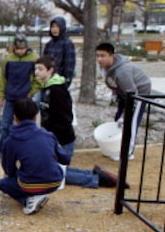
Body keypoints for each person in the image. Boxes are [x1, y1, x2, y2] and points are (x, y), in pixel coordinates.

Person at [34, 56, 122, 188]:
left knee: (53, 173)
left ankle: (97, 180)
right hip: (53, 138)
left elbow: (65, 117)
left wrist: (53, 138)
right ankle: (96, 174)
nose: (36, 72)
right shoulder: (45, 88)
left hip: (62, 140)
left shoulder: (57, 90)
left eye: (40, 69)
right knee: (53, 170)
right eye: (35, 69)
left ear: (50, 70)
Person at [0, 99, 70, 214]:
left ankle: (27, 200)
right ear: (36, 117)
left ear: (15, 117)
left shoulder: (11, 141)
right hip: (56, 181)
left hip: (29, 184)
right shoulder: (48, 135)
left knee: (3, 184)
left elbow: (8, 169)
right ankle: (37, 195)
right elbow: (65, 159)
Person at [95, 42, 152, 160]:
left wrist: (125, 114)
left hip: (139, 94)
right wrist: (116, 97)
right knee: (118, 120)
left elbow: (132, 94)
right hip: (124, 93)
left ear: (112, 56)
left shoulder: (122, 72)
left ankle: (127, 152)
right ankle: (116, 148)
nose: (99, 59)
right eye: (98, 56)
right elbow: (114, 84)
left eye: (103, 56)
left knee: (130, 122)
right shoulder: (107, 68)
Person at [0, 32, 39, 158]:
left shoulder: (34, 58)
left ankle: (29, 150)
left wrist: (32, 91)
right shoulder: (8, 60)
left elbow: (38, 78)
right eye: (17, 49)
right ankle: (2, 150)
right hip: (11, 98)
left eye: (22, 49)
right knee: (5, 126)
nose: (20, 51)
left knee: (27, 126)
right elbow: (3, 79)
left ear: (27, 47)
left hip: (25, 99)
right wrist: (1, 96)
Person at [43, 16, 77, 86]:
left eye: (57, 27)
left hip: (60, 80)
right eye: (53, 27)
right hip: (48, 79)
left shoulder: (67, 43)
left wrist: (66, 81)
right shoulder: (49, 44)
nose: (54, 29)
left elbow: (69, 64)